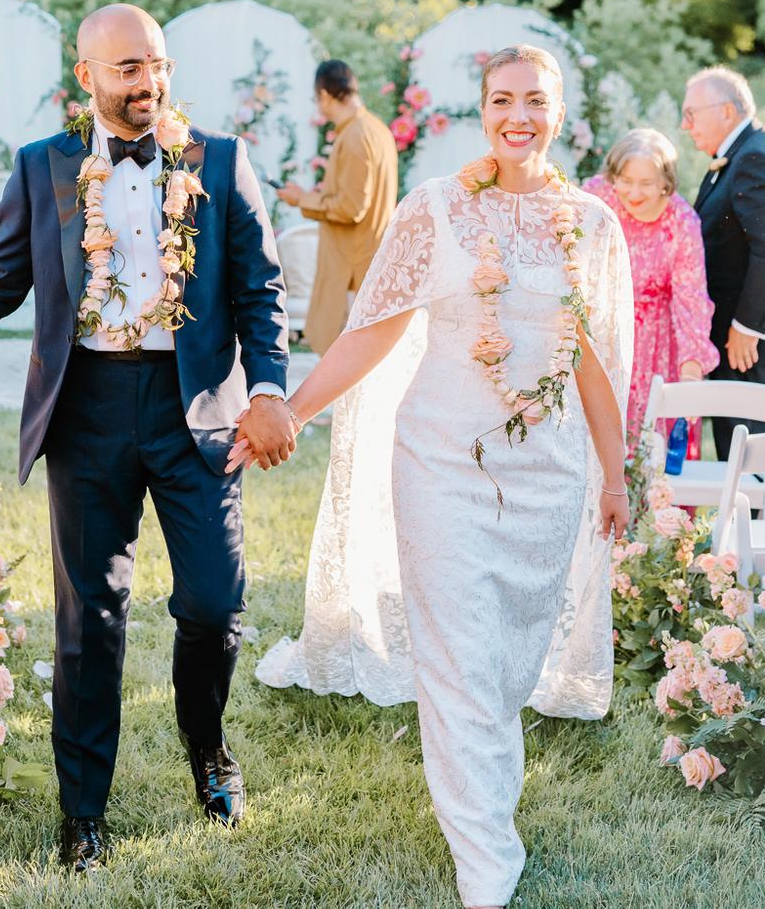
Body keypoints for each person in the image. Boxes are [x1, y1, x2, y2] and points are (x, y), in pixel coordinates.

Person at [0, 4, 292, 873]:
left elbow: (262, 292)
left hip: (194, 409)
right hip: (84, 409)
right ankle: (83, 814)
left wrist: (268, 388)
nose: (145, 82)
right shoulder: (43, 168)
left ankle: (208, 747)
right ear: (86, 78)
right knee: (91, 619)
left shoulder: (220, 162)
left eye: (154, 64)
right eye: (125, 68)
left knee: (215, 606)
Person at [240, 45, 633, 909]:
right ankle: (485, 853)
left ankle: (485, 790)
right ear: (480, 109)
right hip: (440, 463)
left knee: (506, 665)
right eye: (502, 99)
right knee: (457, 655)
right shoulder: (437, 210)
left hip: (549, 471)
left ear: (559, 113)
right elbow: (373, 329)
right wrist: (294, 410)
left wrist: (613, 475)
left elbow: (601, 365)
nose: (518, 116)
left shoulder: (593, 227)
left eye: (535, 100)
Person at [583, 129, 719, 459]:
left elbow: (691, 300)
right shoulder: (595, 199)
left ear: (665, 181)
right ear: (612, 176)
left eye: (646, 183)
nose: (634, 192)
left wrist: (690, 373)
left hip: (658, 345)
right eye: (626, 180)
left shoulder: (682, 221)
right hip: (604, 335)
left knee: (653, 447)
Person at [682, 65, 765, 459]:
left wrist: (748, 326)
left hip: (749, 351)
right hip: (737, 346)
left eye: (691, 113)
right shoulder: (741, 153)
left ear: (726, 111)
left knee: (750, 471)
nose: (684, 124)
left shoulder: (754, 155)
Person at [277, 59, 398, 354]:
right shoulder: (373, 128)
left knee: (346, 364)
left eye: (317, 99)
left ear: (325, 95)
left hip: (353, 273)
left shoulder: (357, 135)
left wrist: (301, 199)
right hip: (361, 263)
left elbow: (351, 207)